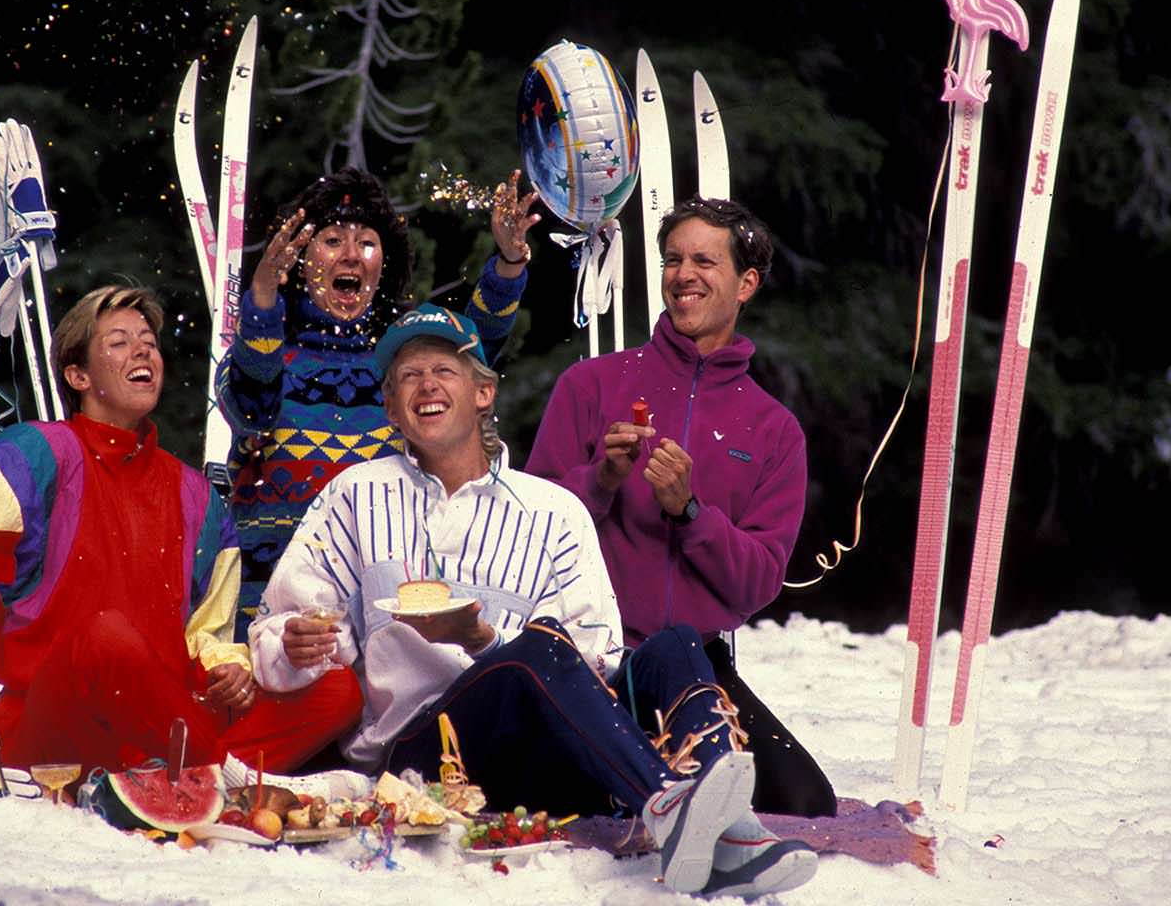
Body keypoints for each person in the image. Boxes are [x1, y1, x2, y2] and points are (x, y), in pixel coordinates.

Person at [248, 304, 817, 897]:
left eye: (443, 370)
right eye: (408, 377)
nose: (426, 386)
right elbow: (278, 624)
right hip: (422, 759)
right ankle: (670, 806)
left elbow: (601, 654)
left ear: (483, 393)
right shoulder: (356, 494)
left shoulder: (553, 509)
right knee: (536, 649)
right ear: (391, 409)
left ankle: (729, 827)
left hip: (544, 757)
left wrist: (484, 640)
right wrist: (295, 644)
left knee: (675, 644)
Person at [0, 284, 361, 777]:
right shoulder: (37, 454)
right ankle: (216, 778)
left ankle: (190, 782)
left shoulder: (197, 496)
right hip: (59, 730)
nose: (143, 351)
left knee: (336, 690)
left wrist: (226, 670)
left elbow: (205, 635)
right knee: (106, 635)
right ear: (78, 375)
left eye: (149, 341)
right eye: (120, 342)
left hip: (162, 725)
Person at [525, 195, 837, 817]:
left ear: (746, 284)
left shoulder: (774, 429)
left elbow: (757, 584)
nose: (683, 274)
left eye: (704, 261)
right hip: (591, 656)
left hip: (698, 666)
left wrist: (690, 513)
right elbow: (527, 540)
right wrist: (601, 482)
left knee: (804, 803)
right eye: (673, 259)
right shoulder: (590, 385)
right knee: (585, 795)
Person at [216, 166, 538, 640]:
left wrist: (508, 263)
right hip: (276, 624)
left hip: (384, 619)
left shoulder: (403, 368)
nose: (351, 254)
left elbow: (469, 354)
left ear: (384, 263)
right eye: (332, 241)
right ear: (300, 260)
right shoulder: (265, 351)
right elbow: (252, 404)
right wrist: (262, 299)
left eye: (366, 242)